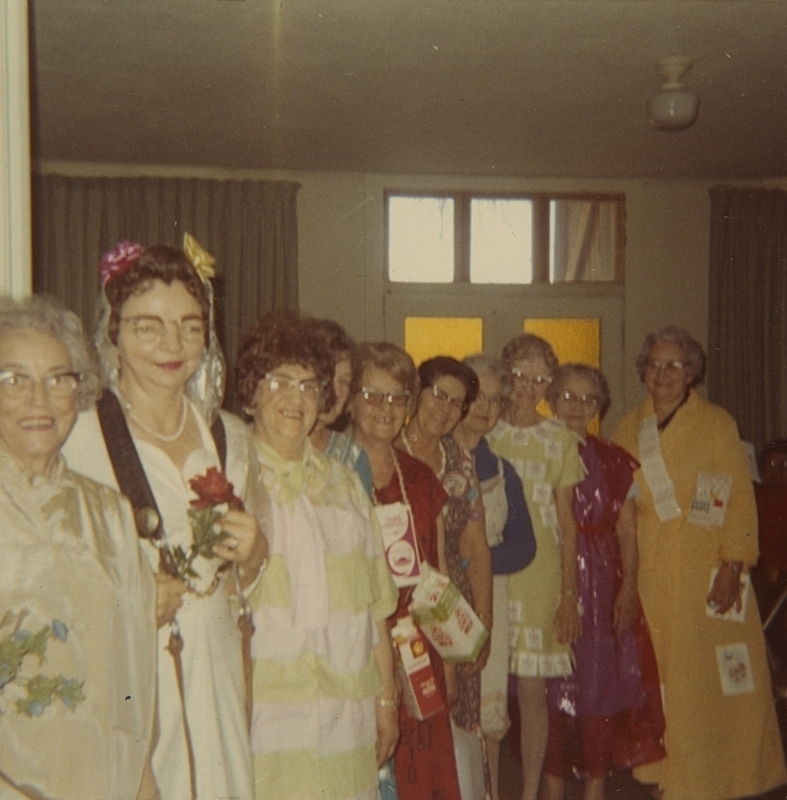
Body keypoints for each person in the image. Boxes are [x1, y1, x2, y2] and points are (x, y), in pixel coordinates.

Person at [63, 239, 266, 800]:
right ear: (113, 334)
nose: (172, 345)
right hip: (127, 685)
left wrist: (254, 556)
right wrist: (125, 599)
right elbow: (46, 579)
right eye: (148, 327)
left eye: (190, 326)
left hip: (217, 677)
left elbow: (248, 592)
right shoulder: (79, 438)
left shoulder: (230, 438)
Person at [613, 326, 787, 800]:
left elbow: (737, 501)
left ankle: (723, 779)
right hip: (650, 575)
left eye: (675, 365)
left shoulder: (716, 424)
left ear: (691, 372)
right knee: (660, 679)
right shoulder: (627, 428)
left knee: (713, 683)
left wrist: (734, 564)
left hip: (706, 572)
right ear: (643, 372)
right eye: (655, 365)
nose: (664, 374)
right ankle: (662, 776)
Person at [236, 313, 399, 800]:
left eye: (309, 386)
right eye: (280, 382)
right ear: (252, 394)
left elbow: (376, 610)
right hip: (266, 725)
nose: (296, 398)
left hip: (344, 723)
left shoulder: (344, 483)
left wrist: (386, 701)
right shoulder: (230, 478)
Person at [0, 296, 157, 800]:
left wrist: (141, 779)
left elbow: (132, 667)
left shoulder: (110, 514)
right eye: (14, 380)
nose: (39, 400)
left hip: (103, 779)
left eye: (57, 379)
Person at [542, 363, 665, 800]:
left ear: (600, 406)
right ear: (552, 400)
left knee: (598, 691)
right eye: (568, 397)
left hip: (600, 582)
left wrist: (628, 589)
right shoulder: (534, 453)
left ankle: (595, 789)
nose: (577, 407)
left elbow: (628, 532)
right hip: (545, 578)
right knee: (548, 694)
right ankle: (552, 790)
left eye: (588, 399)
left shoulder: (615, 460)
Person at [348, 342, 462, 800]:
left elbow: (438, 572)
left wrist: (449, 660)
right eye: (372, 395)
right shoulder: (331, 471)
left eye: (397, 398)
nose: (384, 408)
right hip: (355, 648)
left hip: (419, 649)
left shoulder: (419, 477)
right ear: (350, 399)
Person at [486, 333, 584, 800]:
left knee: (531, 693)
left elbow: (567, 523)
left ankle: (527, 793)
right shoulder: (486, 434)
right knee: (485, 686)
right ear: (507, 379)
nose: (528, 387)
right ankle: (485, 786)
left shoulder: (560, 438)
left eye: (539, 378)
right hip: (494, 574)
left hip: (542, 577)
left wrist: (570, 595)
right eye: (520, 377)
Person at [398, 355, 493, 800]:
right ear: (418, 391)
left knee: (455, 716)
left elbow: (475, 544)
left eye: (457, 402)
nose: (445, 408)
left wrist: (482, 626)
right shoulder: (388, 444)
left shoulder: (458, 458)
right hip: (399, 604)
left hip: (451, 606)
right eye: (438, 393)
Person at [453, 353, 537, 800]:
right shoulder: (429, 459)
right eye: (477, 397)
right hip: (438, 604)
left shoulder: (504, 472)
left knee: (487, 721)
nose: (486, 408)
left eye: (496, 400)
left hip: (490, 605)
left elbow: (525, 545)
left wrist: (473, 563)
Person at [306, 317, 373, 495]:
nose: (336, 391)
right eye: (326, 378)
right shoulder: (254, 443)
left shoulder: (353, 457)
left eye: (344, 381)